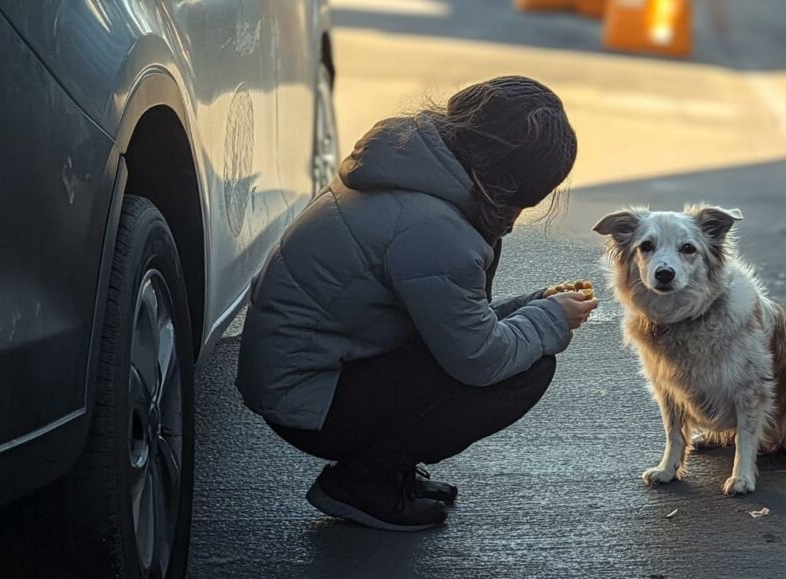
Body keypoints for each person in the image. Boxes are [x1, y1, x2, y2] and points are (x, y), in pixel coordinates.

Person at [235, 76, 594, 531]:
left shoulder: (415, 161)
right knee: (526, 370)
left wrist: (535, 304)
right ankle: (365, 481)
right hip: (309, 399)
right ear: (509, 182)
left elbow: (455, 319)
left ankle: (392, 469)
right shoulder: (435, 229)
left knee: (519, 345)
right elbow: (479, 360)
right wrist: (548, 320)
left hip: (313, 368)